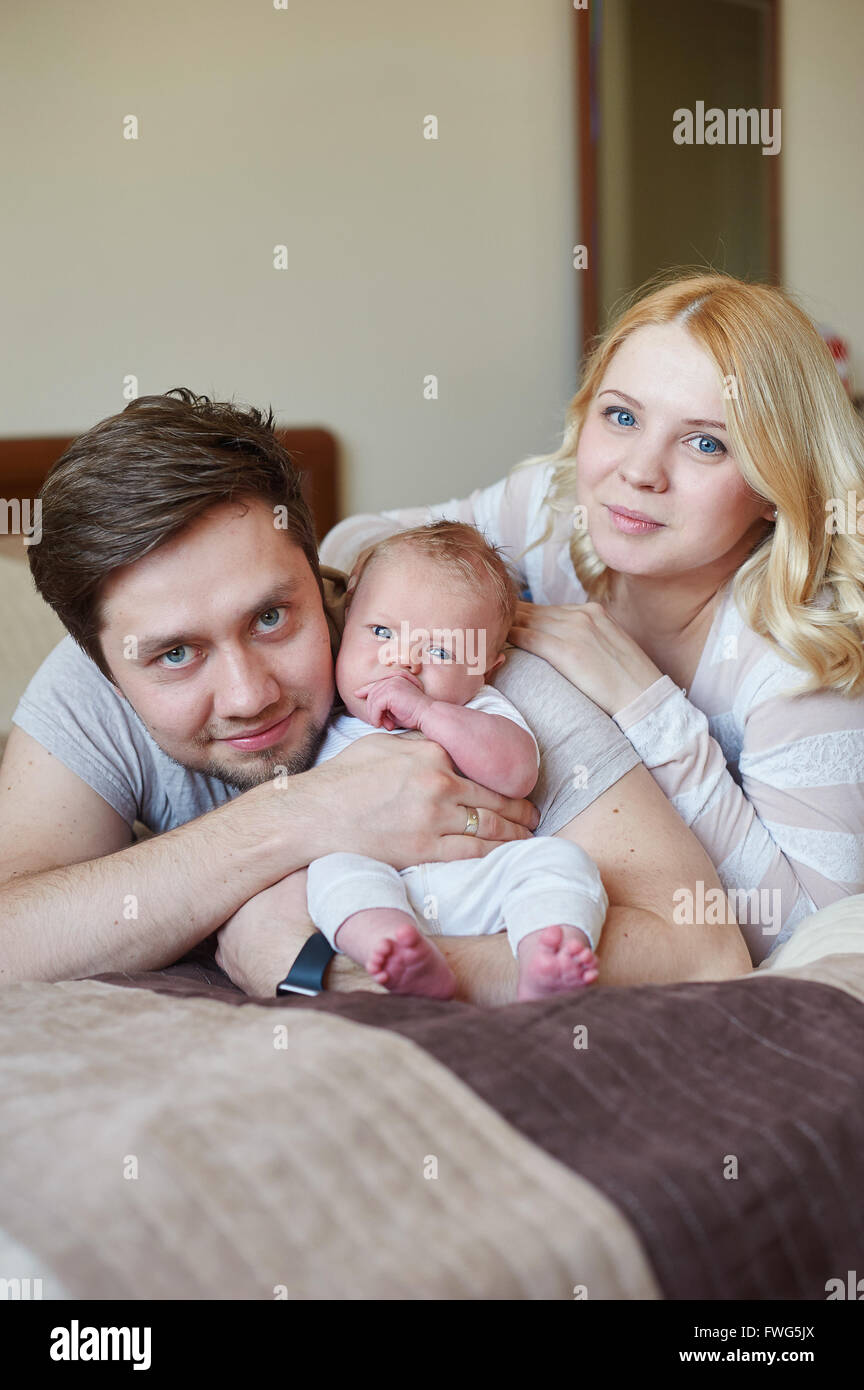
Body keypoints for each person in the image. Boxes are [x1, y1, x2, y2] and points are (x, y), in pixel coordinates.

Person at [0, 389, 746, 1002]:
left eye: (271, 617)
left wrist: (323, 966)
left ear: (324, 574)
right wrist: (300, 817)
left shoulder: (459, 664)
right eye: (175, 655)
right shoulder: (92, 676)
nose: (248, 694)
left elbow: (705, 947)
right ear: (102, 662)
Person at [321, 272, 864, 966]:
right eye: (623, 416)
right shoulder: (554, 514)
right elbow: (352, 544)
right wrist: (434, 617)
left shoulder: (805, 659)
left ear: (774, 486)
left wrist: (652, 710)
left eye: (706, 444)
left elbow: (813, 936)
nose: (638, 472)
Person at [305, 521, 606, 1000]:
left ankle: (545, 958)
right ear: (346, 616)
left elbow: (518, 773)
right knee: (332, 874)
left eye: (443, 650)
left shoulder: (475, 710)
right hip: (383, 882)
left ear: (488, 667)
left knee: (560, 860)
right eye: (381, 631)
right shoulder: (321, 719)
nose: (403, 661)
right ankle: (393, 949)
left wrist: (427, 713)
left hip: (480, 882)